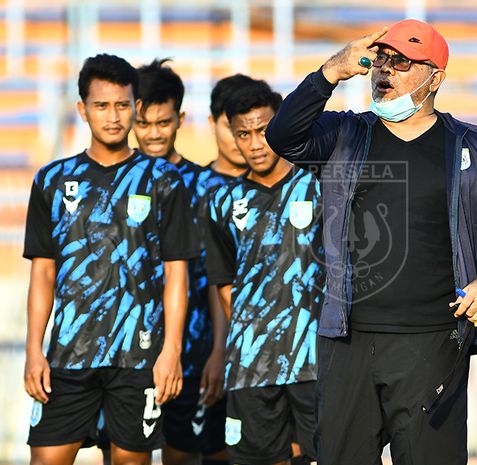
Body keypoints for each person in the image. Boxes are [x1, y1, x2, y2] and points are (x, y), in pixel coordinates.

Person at [266, 19, 477, 465]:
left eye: (403, 62)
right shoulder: (346, 135)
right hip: (347, 340)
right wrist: (330, 72)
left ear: (436, 78)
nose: (385, 71)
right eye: (382, 60)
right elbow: (282, 136)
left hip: (433, 341)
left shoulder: (473, 145)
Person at [22, 53, 198, 465]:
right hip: (68, 355)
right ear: (82, 109)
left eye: (122, 105)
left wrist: (170, 351)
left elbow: (177, 273)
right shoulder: (51, 180)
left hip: (139, 358)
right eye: (102, 105)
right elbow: (43, 273)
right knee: (46, 459)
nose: (113, 116)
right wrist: (34, 349)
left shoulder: (164, 181)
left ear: (136, 108)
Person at [205, 77, 322, 465]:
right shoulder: (223, 202)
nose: (255, 144)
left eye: (263, 131)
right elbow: (223, 286)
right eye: (244, 134)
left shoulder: (318, 186)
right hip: (252, 367)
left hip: (315, 362)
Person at [132, 58, 237, 465]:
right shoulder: (114, 182)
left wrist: (219, 349)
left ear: (181, 118)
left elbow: (221, 275)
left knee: (197, 455)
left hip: (196, 350)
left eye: (164, 122)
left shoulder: (208, 187)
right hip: (129, 353)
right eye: (144, 124)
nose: (154, 134)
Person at [209, 75, 252, 178]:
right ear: (212, 123)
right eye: (231, 128)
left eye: (246, 131)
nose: (239, 139)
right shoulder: (190, 185)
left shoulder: (292, 186)